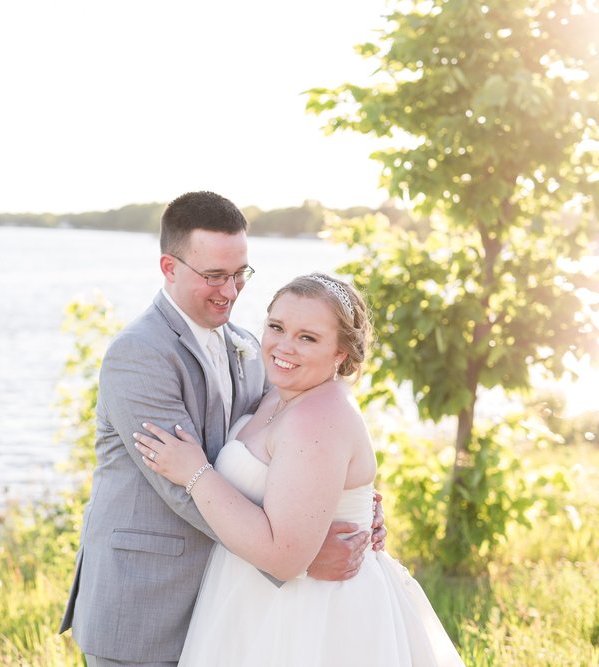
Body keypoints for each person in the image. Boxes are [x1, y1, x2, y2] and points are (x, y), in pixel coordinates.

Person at [59, 192, 386, 667]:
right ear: (169, 268)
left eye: (239, 274)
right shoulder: (139, 355)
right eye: (214, 276)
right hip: (148, 600)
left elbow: (278, 452)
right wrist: (298, 554)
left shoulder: (250, 347)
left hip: (229, 604)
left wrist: (345, 504)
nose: (230, 292)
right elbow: (179, 485)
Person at [133, 273, 465, 666]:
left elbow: (285, 556)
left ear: (341, 353)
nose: (283, 346)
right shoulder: (282, 393)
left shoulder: (318, 416)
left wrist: (195, 472)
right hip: (256, 601)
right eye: (276, 327)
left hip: (311, 616)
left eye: (308, 337)